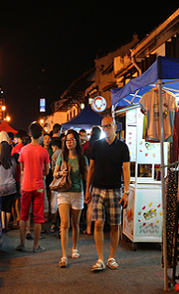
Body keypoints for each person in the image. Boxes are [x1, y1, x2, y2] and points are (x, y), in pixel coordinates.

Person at [85, 116, 130, 271]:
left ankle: (111, 257)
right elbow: (91, 168)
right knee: (98, 223)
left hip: (116, 189)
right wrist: (87, 189)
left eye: (108, 126)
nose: (106, 129)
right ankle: (100, 258)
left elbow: (126, 170)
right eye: (103, 126)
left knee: (115, 226)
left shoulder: (122, 147)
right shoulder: (97, 146)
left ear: (115, 127)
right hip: (97, 188)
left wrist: (126, 192)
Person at [55, 129, 88, 268]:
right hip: (63, 193)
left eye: (72, 139)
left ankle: (74, 248)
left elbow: (86, 178)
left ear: (77, 141)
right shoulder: (62, 157)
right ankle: (63, 256)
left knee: (75, 223)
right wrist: (60, 173)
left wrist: (88, 193)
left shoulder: (82, 158)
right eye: (67, 140)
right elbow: (54, 174)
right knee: (64, 224)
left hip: (77, 193)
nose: (69, 142)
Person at [16, 121, 49, 253]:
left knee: (23, 215)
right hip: (39, 187)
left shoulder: (24, 150)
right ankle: (35, 246)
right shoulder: (44, 151)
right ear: (41, 134)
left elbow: (22, 168)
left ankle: (22, 243)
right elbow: (47, 171)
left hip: (26, 186)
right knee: (38, 217)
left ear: (30, 134)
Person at [0, 141, 18, 232]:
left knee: (2, 207)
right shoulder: (12, 160)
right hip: (11, 186)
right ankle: (7, 225)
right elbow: (14, 173)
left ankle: (3, 226)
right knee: (8, 207)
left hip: (1, 186)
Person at [83, 125, 101, 234]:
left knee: (89, 204)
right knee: (100, 205)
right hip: (100, 178)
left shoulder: (86, 147)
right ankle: (98, 228)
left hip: (89, 179)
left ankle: (89, 228)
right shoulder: (102, 146)